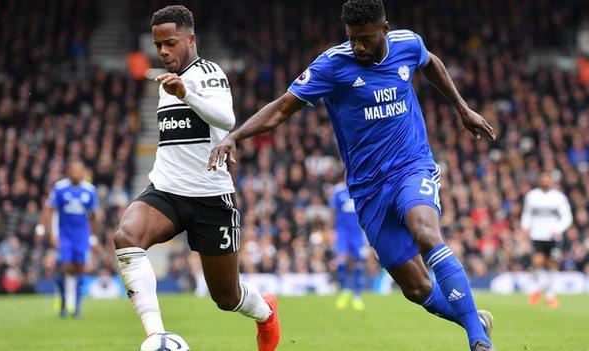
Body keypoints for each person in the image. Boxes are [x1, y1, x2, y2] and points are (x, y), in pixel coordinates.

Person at [209, 0, 496, 349]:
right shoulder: (332, 65)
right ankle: (474, 318)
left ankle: (478, 340)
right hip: (367, 188)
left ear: (385, 29)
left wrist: (462, 109)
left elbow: (430, 62)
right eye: (352, 38)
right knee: (417, 287)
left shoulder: (408, 43)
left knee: (424, 229)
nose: (357, 46)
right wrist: (235, 135)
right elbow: (282, 108)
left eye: (366, 38)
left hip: (411, 166)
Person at [112, 6, 280, 351]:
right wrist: (176, 91)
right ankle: (157, 336)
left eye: (170, 43)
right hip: (167, 190)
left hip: (209, 196)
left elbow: (227, 119)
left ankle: (266, 313)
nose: (163, 52)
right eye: (158, 45)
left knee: (226, 295)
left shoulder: (208, 73)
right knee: (126, 236)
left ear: (190, 38)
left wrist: (185, 94)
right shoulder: (165, 82)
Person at [38, 160, 100, 317]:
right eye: (73, 171)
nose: (76, 174)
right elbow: (50, 209)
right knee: (62, 267)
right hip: (64, 235)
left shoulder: (90, 190)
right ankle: (64, 304)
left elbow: (94, 217)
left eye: (79, 171)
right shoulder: (60, 188)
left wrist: (94, 238)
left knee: (80, 269)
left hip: (82, 236)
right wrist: (50, 233)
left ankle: (77, 308)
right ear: (68, 172)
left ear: (83, 172)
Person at [520, 171, 573, 308]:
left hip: (553, 236)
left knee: (551, 265)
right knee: (537, 262)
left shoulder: (558, 197)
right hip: (537, 235)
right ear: (539, 180)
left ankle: (550, 295)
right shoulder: (532, 196)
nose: (545, 181)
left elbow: (567, 217)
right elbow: (527, 214)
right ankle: (539, 288)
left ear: (551, 180)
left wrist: (558, 229)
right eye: (543, 178)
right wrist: (525, 228)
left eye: (547, 178)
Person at [331, 179, 367, 311]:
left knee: (358, 262)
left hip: (357, 233)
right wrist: (333, 231)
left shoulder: (361, 189)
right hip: (343, 234)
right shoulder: (338, 191)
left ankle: (357, 296)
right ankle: (345, 290)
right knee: (341, 260)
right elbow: (332, 212)